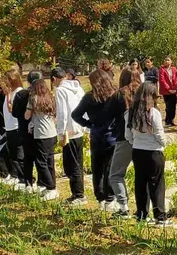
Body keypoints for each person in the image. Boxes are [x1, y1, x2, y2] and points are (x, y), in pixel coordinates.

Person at [72, 69, 122, 210]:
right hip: (112, 136)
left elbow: (75, 115)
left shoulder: (90, 97)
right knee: (110, 169)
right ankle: (110, 198)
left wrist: (89, 124)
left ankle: (100, 197)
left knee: (97, 168)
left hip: (97, 135)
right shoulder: (115, 95)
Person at [127, 80, 171, 225]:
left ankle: (141, 215)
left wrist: (136, 142)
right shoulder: (153, 113)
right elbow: (159, 133)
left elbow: (127, 134)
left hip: (138, 151)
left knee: (141, 183)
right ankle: (160, 216)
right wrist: (163, 144)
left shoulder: (131, 112)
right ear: (150, 96)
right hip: (154, 152)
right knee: (157, 184)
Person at [105, 69, 139, 218]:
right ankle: (144, 209)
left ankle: (123, 207)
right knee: (142, 175)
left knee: (115, 175)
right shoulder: (142, 92)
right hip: (142, 139)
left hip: (124, 138)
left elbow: (107, 114)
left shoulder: (119, 94)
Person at [51, 68, 86, 206]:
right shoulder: (78, 88)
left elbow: (62, 113)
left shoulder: (61, 90)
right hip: (79, 129)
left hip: (68, 131)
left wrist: (61, 132)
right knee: (77, 161)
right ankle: (77, 193)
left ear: (54, 78)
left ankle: (79, 195)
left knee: (71, 164)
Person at [22, 74, 59, 201]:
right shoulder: (51, 98)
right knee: (50, 161)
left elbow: (26, 116)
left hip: (41, 134)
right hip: (52, 133)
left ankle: (51, 188)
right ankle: (52, 186)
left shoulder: (33, 98)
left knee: (41, 162)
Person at [0, 68, 25, 187]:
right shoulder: (9, 92)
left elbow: (12, 109)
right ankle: (15, 176)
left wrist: (9, 95)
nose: (5, 83)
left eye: (7, 80)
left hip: (16, 127)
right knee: (12, 154)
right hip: (9, 127)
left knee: (19, 154)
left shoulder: (19, 92)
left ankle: (23, 178)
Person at [9, 71, 34, 187]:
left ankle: (27, 180)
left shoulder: (21, 94)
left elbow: (15, 112)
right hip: (29, 127)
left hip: (21, 127)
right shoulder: (41, 93)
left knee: (24, 156)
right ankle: (24, 178)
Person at [157, 57, 177, 126]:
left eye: (168, 60)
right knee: (168, 106)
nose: (166, 61)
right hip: (166, 91)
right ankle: (167, 120)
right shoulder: (162, 69)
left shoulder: (174, 69)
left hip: (174, 90)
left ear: (171, 61)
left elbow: (176, 78)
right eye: (165, 60)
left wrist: (175, 88)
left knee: (173, 106)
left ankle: (172, 120)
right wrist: (169, 89)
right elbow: (162, 80)